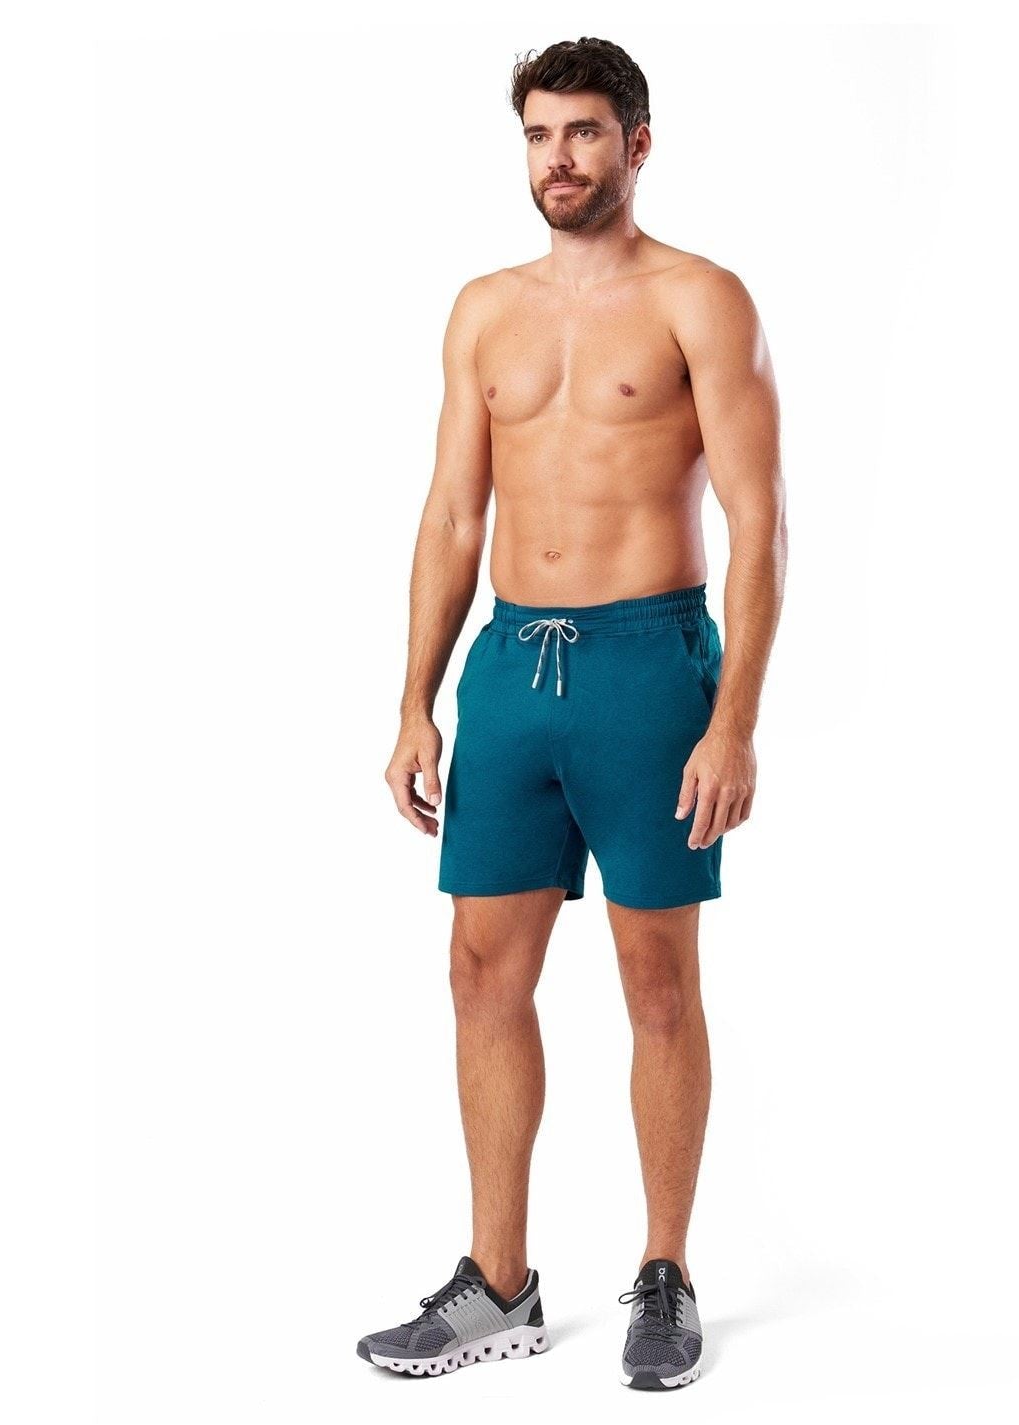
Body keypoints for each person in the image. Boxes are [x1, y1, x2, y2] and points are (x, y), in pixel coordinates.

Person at [361, 36, 786, 1391]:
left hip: (647, 668)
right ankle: (498, 1282)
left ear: (636, 145)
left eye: (586, 132)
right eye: (541, 133)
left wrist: (733, 719)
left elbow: (762, 521)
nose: (560, 157)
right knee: (480, 971)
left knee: (656, 983)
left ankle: (664, 1273)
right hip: (507, 670)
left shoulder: (699, 299)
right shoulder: (484, 310)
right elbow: (451, 516)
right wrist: (415, 702)